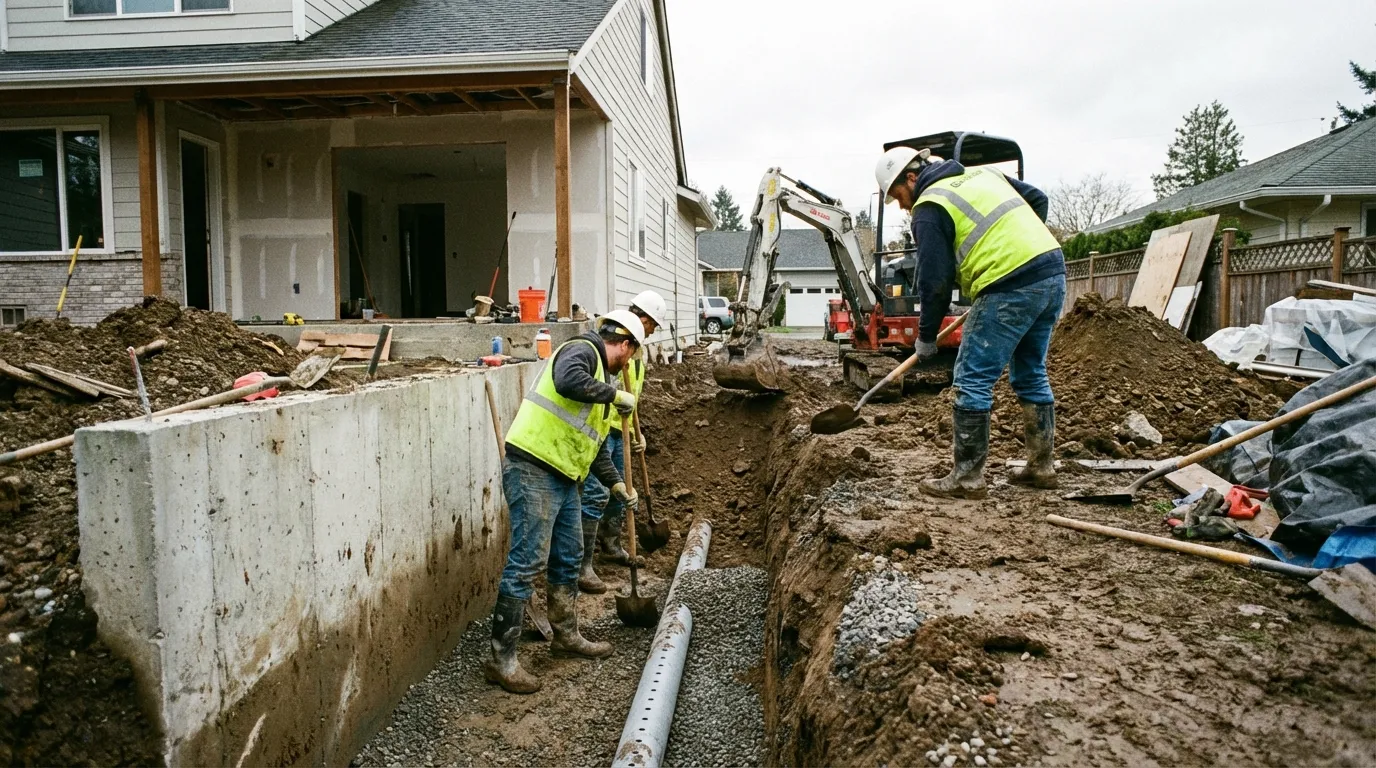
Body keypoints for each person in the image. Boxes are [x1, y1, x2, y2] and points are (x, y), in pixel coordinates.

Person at [875, 146, 1067, 499]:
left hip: (1009, 283)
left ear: (912, 178)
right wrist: (1019, 246)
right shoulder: (983, 175)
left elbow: (934, 281)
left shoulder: (929, 207)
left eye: (899, 196)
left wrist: (926, 336)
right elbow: (1037, 198)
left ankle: (967, 477)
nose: (902, 206)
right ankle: (1042, 467)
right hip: (1051, 271)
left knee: (971, 377)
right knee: (1030, 371)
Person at [485, 309, 645, 694]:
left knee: (569, 555)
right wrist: (615, 393)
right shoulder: (583, 350)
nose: (629, 364)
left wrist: (616, 485)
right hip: (534, 468)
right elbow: (566, 379)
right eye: (632, 353)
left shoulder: (597, 379)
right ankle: (500, 660)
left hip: (564, 474)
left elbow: (590, 443)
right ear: (624, 345)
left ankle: (565, 636)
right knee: (527, 562)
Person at [577, 291, 669, 594]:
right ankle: (583, 565)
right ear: (643, 318)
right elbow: (603, 394)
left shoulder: (637, 354)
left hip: (623, 432)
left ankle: (613, 545)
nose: (653, 332)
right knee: (594, 495)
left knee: (623, 492)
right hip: (601, 433)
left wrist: (637, 432)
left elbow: (633, 398)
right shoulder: (614, 346)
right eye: (653, 326)